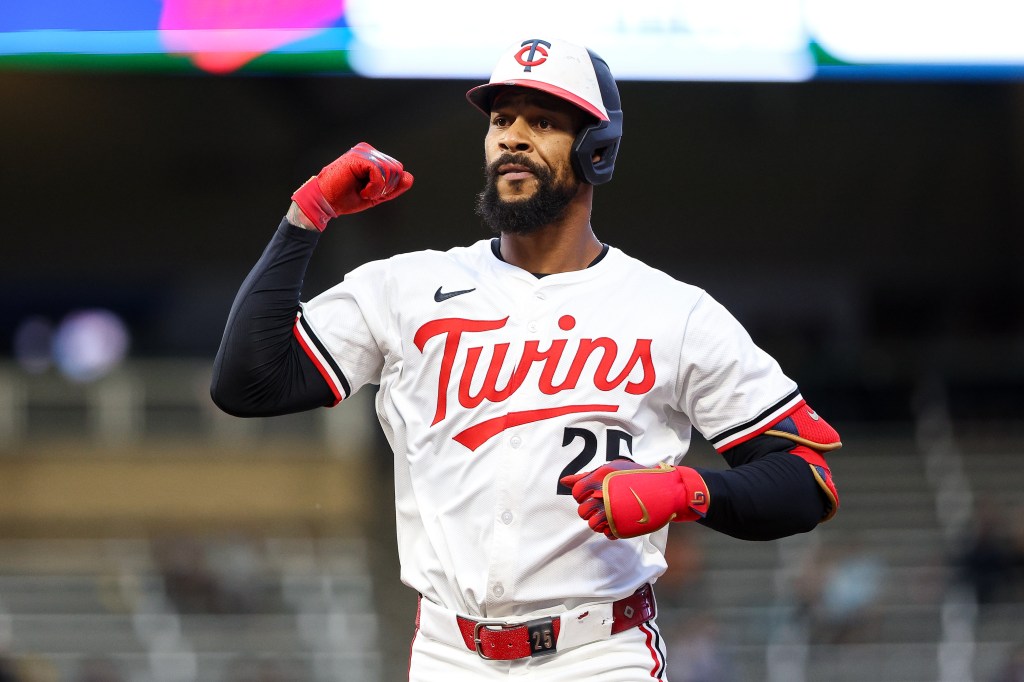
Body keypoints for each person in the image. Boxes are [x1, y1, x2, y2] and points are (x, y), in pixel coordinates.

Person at [211, 36, 842, 681]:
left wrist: (686, 491)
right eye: (500, 120)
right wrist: (307, 214)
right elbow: (249, 384)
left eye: (542, 121)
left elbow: (806, 483)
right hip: (446, 654)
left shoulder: (671, 312)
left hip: (600, 653)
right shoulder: (406, 288)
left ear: (597, 150)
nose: (513, 138)